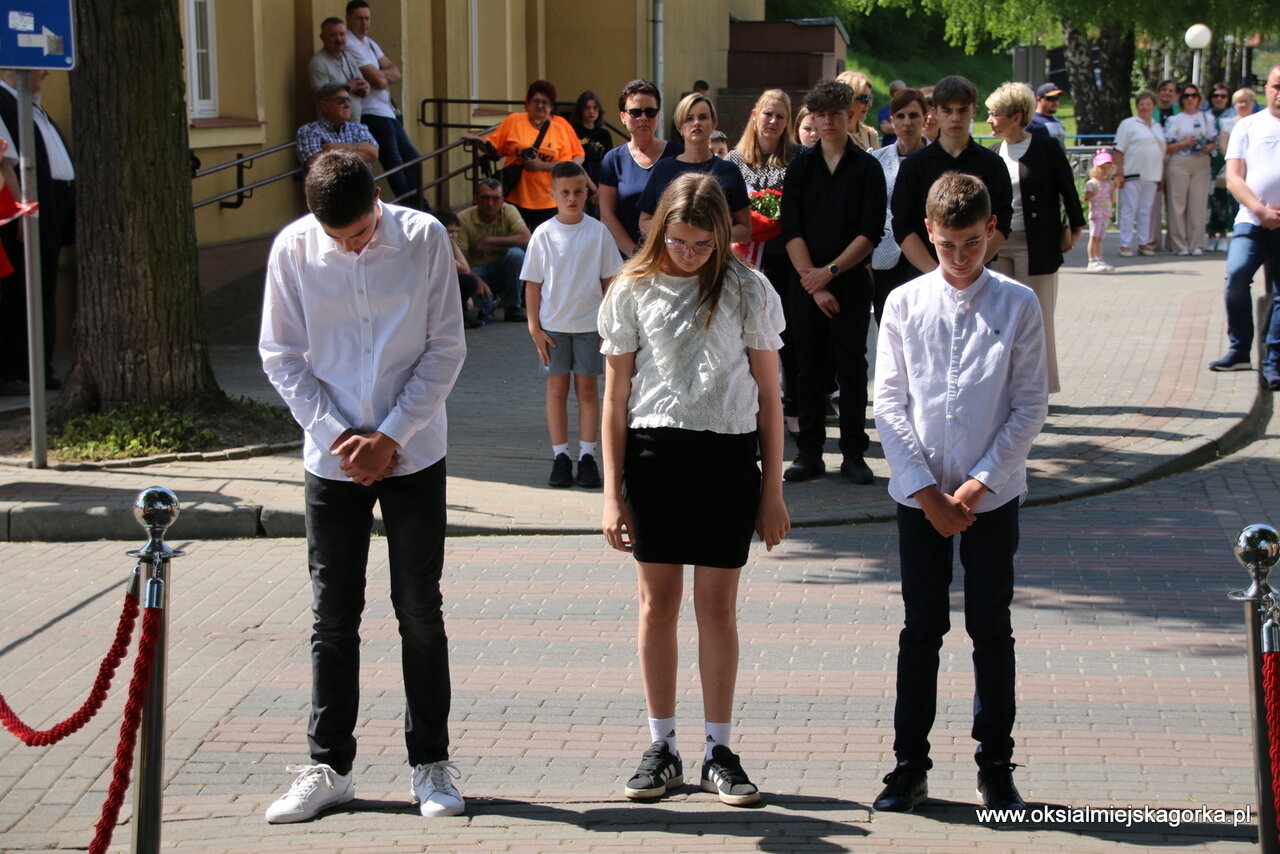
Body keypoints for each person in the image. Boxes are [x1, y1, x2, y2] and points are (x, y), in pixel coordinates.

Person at [259, 151, 467, 823]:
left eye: (358, 233)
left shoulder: (424, 237)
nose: (349, 247)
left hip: (414, 450)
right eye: (336, 238)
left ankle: (430, 763)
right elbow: (281, 355)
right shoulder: (294, 248)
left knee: (419, 609)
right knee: (332, 615)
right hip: (334, 460)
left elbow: (446, 347)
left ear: (377, 202)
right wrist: (336, 434)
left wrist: (392, 435)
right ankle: (330, 768)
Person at [599, 172, 788, 808]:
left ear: (723, 238)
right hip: (654, 458)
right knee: (658, 605)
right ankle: (662, 746)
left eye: (704, 245)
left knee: (717, 608)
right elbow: (615, 398)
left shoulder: (747, 288)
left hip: (727, 458)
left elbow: (769, 398)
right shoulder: (632, 289)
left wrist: (773, 491)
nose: (689, 254)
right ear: (660, 230)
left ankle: (719, 750)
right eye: (679, 241)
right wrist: (611, 493)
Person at [871, 171, 1048, 814]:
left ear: (992, 231)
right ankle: (908, 766)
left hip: (990, 495)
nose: (960, 256)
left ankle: (995, 765)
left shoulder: (1018, 303)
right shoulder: (904, 303)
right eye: (947, 245)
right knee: (921, 628)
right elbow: (888, 403)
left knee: (990, 627)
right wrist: (927, 493)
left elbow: (1029, 407)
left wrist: (975, 486)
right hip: (919, 494)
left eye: (972, 242)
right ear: (928, 234)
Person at [780, 78, 887, 485]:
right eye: (820, 115)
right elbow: (791, 229)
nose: (828, 122)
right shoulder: (801, 167)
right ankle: (809, 454)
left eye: (836, 114)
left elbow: (870, 232)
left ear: (851, 115)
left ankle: (854, 454)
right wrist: (815, 282)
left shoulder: (867, 168)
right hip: (806, 284)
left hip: (850, 283)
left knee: (852, 369)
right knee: (807, 369)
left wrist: (831, 274)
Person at [521, 162, 623, 488]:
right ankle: (561, 456)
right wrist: (534, 327)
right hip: (552, 329)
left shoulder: (598, 232)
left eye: (578, 191)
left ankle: (588, 456)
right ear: (552, 194)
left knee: (588, 391)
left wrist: (608, 325)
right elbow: (533, 284)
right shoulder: (543, 234)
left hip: (590, 327)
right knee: (556, 390)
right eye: (564, 192)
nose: (572, 198)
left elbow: (610, 282)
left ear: (587, 192)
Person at [984, 81, 1084, 394]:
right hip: (998, 245)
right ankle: (1004, 386)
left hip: (1037, 245)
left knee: (1037, 318)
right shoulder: (992, 153)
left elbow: (1068, 190)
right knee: (1001, 318)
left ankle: (1039, 387)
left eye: (995, 113)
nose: (989, 119)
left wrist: (1075, 227)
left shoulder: (1046, 148)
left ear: (1016, 117)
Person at [892, 76, 1013, 278]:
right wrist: (937, 274)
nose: (955, 118)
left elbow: (1002, 221)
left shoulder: (993, 164)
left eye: (962, 110)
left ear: (974, 111)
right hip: (924, 274)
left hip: (977, 275)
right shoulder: (913, 166)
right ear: (934, 112)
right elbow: (903, 225)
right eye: (947, 110)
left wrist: (969, 267)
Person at [729, 88, 799, 435]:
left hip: (785, 261)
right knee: (744, 340)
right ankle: (747, 409)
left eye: (780, 116)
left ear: (788, 122)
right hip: (743, 263)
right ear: (755, 115)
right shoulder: (733, 160)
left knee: (787, 338)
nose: (773, 121)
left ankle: (792, 409)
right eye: (768, 114)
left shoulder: (798, 159)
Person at [0, 69, 74, 394]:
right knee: (24, 294)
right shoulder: (4, 103)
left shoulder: (31, 104)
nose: (45, 72)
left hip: (50, 208)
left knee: (42, 290)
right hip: (24, 213)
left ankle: (39, 369)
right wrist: (22, 211)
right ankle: (21, 371)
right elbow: (7, 164)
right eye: (38, 66)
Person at [1209, 64, 1280, 381]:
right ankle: (1239, 351)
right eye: (1277, 86)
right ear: (1267, 89)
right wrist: (1260, 210)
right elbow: (1235, 178)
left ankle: (1274, 361)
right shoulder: (1248, 126)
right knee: (1236, 277)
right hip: (1251, 220)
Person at [471, 80, 585, 230]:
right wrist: (477, 144)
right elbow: (494, 148)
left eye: (545, 102)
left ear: (551, 106)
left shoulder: (559, 129)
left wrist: (541, 165)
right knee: (518, 240)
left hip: (548, 200)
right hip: (516, 196)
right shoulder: (514, 121)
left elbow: (566, 165)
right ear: (528, 103)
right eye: (536, 101)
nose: (540, 105)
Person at [638, 93, 750, 244]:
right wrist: (675, 235)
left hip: (714, 256)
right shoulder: (663, 169)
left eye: (703, 117)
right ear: (680, 126)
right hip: (670, 256)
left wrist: (708, 237)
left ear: (713, 123)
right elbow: (644, 222)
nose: (696, 123)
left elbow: (745, 230)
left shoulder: (729, 170)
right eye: (689, 118)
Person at [344, 0, 423, 208]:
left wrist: (381, 75)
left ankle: (420, 206)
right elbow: (378, 80)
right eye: (359, 18)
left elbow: (395, 72)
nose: (364, 23)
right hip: (372, 112)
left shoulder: (370, 43)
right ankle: (411, 207)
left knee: (413, 160)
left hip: (388, 111)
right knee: (395, 164)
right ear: (348, 19)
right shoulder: (350, 44)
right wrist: (381, 76)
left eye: (367, 18)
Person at [598, 79, 683, 255]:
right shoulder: (613, 160)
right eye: (635, 112)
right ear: (623, 116)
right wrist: (636, 255)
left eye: (650, 112)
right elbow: (607, 216)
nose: (643, 118)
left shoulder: (679, 154)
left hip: (676, 256)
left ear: (658, 116)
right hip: (627, 258)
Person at [871, 87, 929, 323]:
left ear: (925, 118)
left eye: (914, 115)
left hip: (926, 254)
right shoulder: (876, 160)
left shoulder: (937, 157)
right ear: (892, 120)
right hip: (886, 256)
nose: (907, 123)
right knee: (888, 325)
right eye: (901, 116)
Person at [455, 177, 531, 322]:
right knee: (466, 281)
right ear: (476, 199)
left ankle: (513, 307)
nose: (490, 203)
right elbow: (461, 260)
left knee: (516, 255)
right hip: (477, 271)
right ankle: (485, 302)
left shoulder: (509, 210)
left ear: (502, 200)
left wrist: (490, 240)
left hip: (503, 269)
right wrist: (477, 280)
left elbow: (527, 238)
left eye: (496, 199)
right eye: (485, 198)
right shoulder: (463, 218)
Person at [1112, 90, 1167, 257]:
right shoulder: (1128, 124)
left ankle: (1144, 243)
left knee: (1146, 211)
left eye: (1148, 104)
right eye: (1141, 104)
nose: (1145, 107)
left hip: (1152, 175)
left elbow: (1161, 152)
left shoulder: (1156, 125)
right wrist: (1119, 173)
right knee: (1129, 210)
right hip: (1132, 174)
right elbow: (1118, 149)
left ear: (1153, 106)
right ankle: (1125, 244)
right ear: (1136, 106)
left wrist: (1161, 176)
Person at [1163, 83, 1216, 256]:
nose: (1190, 99)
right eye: (1186, 96)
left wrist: (1207, 147)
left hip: (1201, 162)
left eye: (1194, 95)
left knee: (1198, 204)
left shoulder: (1207, 118)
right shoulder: (1175, 120)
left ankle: (1196, 243)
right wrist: (1185, 142)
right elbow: (1167, 147)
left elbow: (1212, 141)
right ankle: (1180, 244)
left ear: (1199, 99)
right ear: (1181, 99)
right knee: (1177, 204)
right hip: (1179, 161)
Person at [1215, 87, 1259, 249]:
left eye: (1246, 101)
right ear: (1234, 104)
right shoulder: (1228, 123)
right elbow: (1223, 147)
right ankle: (1233, 236)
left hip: (1255, 170)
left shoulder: (1260, 122)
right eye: (1239, 102)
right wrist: (1238, 162)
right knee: (1231, 204)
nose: (1243, 104)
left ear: (1253, 103)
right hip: (1235, 169)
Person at [296, 83, 378, 170]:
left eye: (348, 100)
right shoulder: (309, 130)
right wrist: (358, 150)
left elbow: (373, 153)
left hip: (361, 179)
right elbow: (315, 165)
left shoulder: (358, 128)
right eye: (340, 100)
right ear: (324, 107)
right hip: (332, 180)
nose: (347, 105)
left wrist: (331, 148)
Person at [434, 209, 492, 328]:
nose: (454, 236)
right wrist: (453, 244)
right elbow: (464, 268)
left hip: (445, 288)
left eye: (456, 232)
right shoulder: (435, 248)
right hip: (433, 293)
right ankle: (452, 317)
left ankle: (460, 314)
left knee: (467, 281)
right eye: (450, 232)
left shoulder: (446, 246)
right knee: (469, 281)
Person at [308, 16, 370, 122]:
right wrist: (348, 88)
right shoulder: (318, 62)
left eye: (342, 34)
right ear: (322, 37)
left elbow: (360, 82)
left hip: (354, 125)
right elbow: (319, 96)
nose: (339, 39)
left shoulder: (348, 57)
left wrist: (365, 88)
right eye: (333, 35)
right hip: (333, 127)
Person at [569, 90, 613, 219]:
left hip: (601, 181)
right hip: (579, 180)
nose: (591, 111)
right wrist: (594, 189)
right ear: (581, 110)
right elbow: (575, 162)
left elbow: (609, 163)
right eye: (587, 108)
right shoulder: (573, 132)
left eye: (595, 108)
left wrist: (601, 190)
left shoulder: (604, 134)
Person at [1206, 83, 1237, 252]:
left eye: (1223, 96)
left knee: (1223, 199)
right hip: (1208, 161)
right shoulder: (1205, 115)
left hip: (1225, 162)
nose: (1218, 99)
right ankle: (1210, 234)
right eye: (1215, 95)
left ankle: (1223, 234)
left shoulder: (1233, 116)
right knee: (1209, 200)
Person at [1084, 150, 1118, 272]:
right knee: (1094, 237)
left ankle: (1099, 259)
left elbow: (1113, 200)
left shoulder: (1109, 183)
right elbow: (1086, 199)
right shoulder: (1092, 183)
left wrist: (1114, 189)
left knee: (1100, 238)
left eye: (1108, 168)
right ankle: (1092, 260)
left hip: (1105, 213)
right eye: (1102, 167)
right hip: (1096, 213)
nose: (1105, 170)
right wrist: (1093, 194)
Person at [836, 70, 879, 150]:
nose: (869, 104)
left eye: (870, 98)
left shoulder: (870, 135)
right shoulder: (830, 135)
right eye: (864, 98)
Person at [1026, 83, 1066, 148]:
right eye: (1051, 98)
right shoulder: (1031, 121)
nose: (1055, 102)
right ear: (1038, 99)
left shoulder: (1057, 121)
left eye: (1057, 98)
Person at [877, 79, 906, 146]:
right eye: (897, 91)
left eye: (903, 91)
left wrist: (892, 126)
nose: (901, 93)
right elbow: (885, 129)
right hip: (889, 148)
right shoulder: (884, 110)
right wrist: (906, 128)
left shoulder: (911, 109)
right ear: (891, 93)